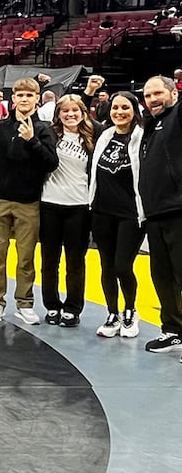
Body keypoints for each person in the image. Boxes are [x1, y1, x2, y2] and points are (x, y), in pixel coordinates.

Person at [0, 78, 59, 323]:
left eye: (29, 95)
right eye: (20, 95)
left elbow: (51, 162)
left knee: (26, 255)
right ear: (12, 98)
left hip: (28, 201)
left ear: (37, 98)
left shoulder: (44, 128)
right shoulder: (0, 127)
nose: (24, 99)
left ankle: (25, 302)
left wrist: (32, 140)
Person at [39, 95, 98, 328]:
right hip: (50, 203)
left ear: (83, 113)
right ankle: (51, 305)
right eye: (65, 111)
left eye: (75, 110)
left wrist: (89, 93)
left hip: (79, 206)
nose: (70, 115)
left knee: (75, 261)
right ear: (58, 114)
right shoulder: (49, 134)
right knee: (49, 260)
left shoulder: (94, 135)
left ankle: (73, 308)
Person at [90, 92, 145, 339]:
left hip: (131, 214)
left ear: (135, 110)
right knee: (106, 265)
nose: (119, 112)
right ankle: (112, 313)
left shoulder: (142, 138)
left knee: (123, 265)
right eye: (115, 107)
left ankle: (130, 311)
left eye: (125, 107)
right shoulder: (104, 136)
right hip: (102, 211)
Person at [137, 75, 182, 355]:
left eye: (157, 93)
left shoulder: (177, 116)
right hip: (155, 213)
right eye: (147, 95)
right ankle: (173, 330)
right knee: (162, 276)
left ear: (173, 92)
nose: (152, 99)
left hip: (178, 210)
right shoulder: (151, 126)